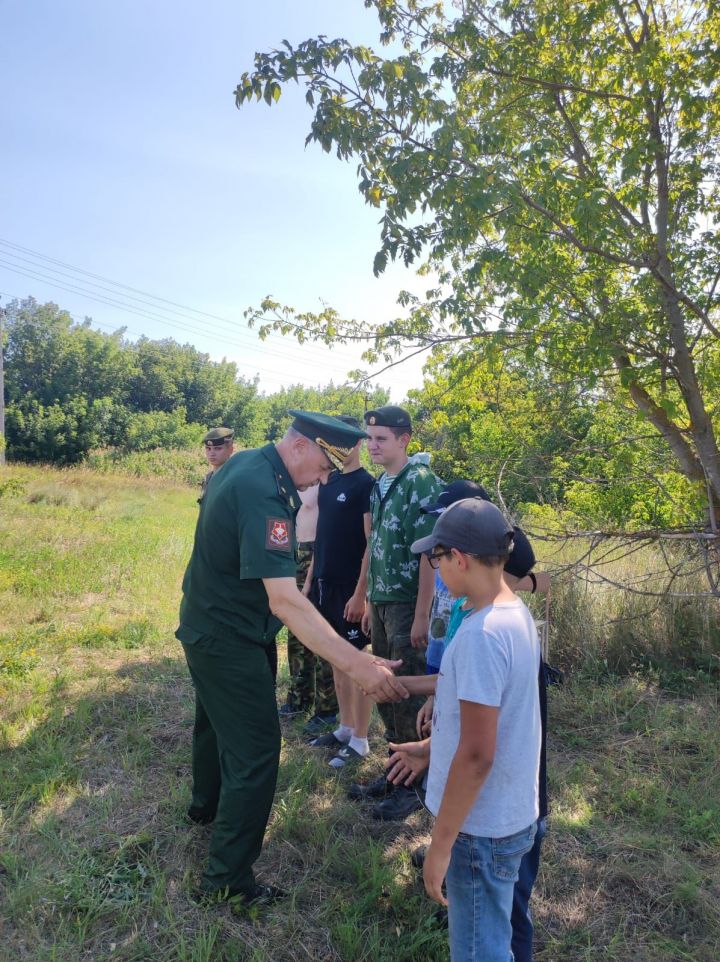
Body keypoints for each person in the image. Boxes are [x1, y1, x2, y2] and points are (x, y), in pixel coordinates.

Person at [176, 410, 409, 907]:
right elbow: (284, 600)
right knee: (257, 752)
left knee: (214, 724)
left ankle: (206, 809)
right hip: (229, 636)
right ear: (303, 447)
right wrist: (359, 664)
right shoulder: (265, 493)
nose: (324, 478)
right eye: (326, 465)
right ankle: (228, 882)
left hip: (210, 624)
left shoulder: (245, 466)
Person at [388, 499, 541, 962]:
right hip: (509, 814)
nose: (434, 569)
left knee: (478, 950)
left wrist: (440, 846)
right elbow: (494, 717)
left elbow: (477, 756)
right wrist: (435, 747)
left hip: (479, 830)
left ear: (459, 559)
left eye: (436, 558)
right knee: (493, 936)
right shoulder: (511, 613)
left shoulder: (481, 635)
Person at [347, 405, 443, 821]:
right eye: (370, 439)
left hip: (408, 604)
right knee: (384, 690)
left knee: (405, 692)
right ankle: (395, 772)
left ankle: (416, 783)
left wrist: (422, 614)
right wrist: (368, 599)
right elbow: (375, 547)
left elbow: (429, 557)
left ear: (405, 440)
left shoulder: (421, 482)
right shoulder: (380, 484)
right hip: (383, 601)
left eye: (381, 439)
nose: (372, 446)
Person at [305, 415, 375, 768]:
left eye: (347, 441)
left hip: (351, 589)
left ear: (358, 443)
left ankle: (361, 740)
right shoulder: (329, 482)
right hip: (324, 585)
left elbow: (370, 543)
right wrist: (308, 584)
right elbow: (321, 538)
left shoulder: (366, 484)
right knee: (336, 658)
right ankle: (345, 728)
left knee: (357, 661)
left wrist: (360, 594)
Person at [278, 484, 339, 730]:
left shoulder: (327, 481)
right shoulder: (291, 479)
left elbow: (328, 529)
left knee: (319, 632)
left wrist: (313, 571)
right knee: (295, 633)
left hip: (317, 556)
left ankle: (327, 708)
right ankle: (299, 698)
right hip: (292, 553)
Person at [198, 427, 234, 503]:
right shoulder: (208, 477)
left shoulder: (234, 478)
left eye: (218, 448)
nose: (212, 453)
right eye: (208, 448)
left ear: (230, 449)